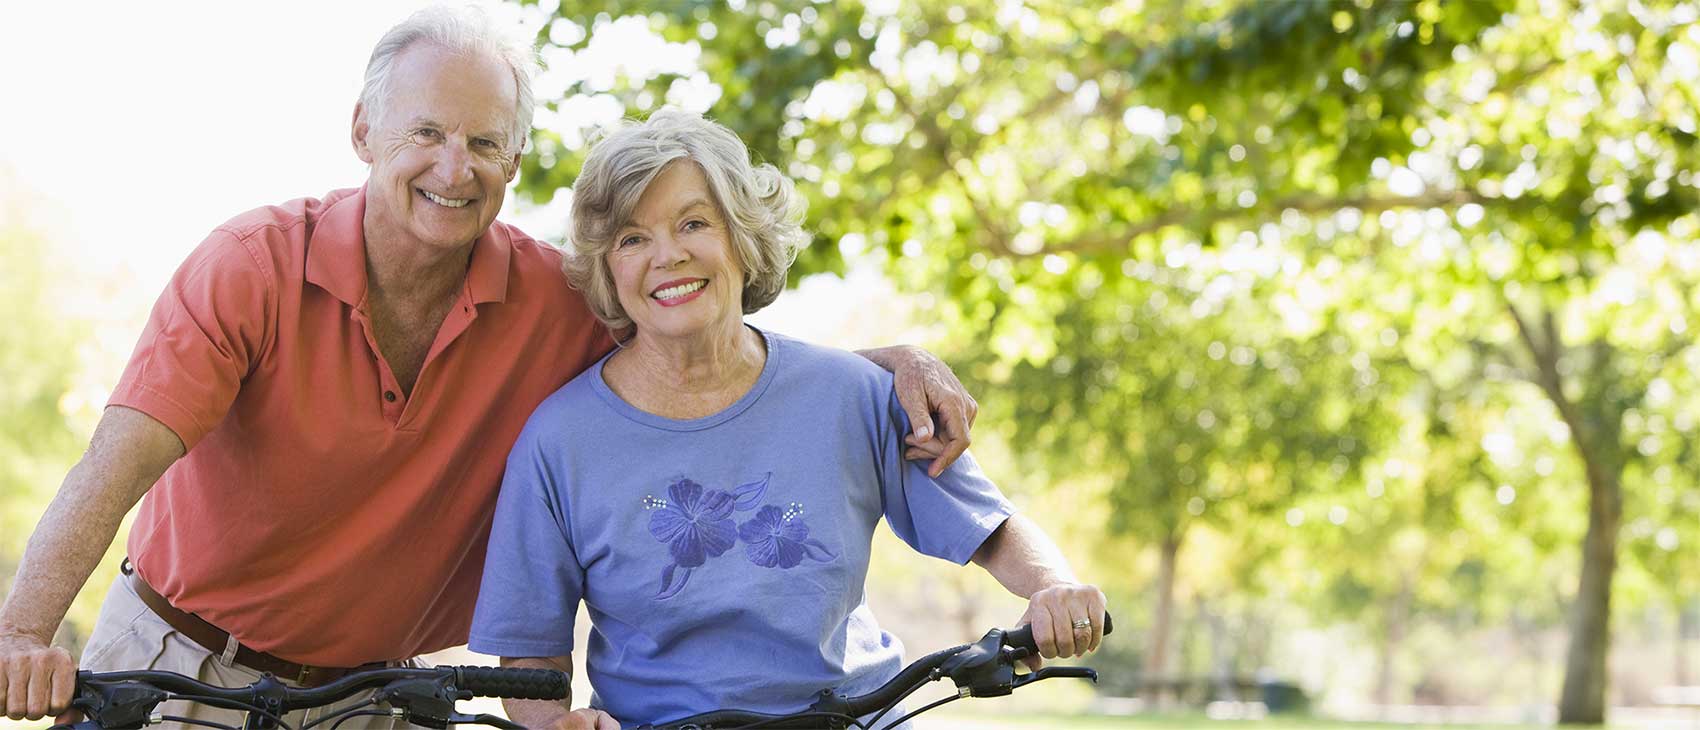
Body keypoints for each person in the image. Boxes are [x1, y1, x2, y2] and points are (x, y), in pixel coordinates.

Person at [0, 7, 982, 727]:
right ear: (363, 133)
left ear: (513, 158)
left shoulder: (555, 300)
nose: (452, 167)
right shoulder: (251, 267)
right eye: (425, 132)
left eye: (483, 142)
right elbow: (111, 469)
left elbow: (711, 367)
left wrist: (882, 364)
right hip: (179, 665)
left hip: (372, 693)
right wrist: (22, 634)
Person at [468, 110, 1107, 730]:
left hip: (853, 716)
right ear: (609, 268)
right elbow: (531, 661)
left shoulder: (855, 395)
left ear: (744, 238)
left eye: (694, 223)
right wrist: (556, 722)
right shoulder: (558, 442)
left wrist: (1053, 588)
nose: (667, 255)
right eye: (632, 238)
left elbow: (989, 527)